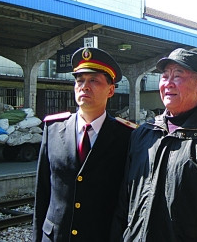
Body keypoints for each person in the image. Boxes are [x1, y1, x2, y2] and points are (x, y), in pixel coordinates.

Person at [111, 48, 197, 241]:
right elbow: (124, 202)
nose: (168, 83)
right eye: (164, 76)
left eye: (177, 76)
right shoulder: (143, 134)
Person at [33, 47, 136, 242]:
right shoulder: (53, 129)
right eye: (80, 80)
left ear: (111, 90)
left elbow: (128, 201)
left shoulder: (127, 136)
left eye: (94, 81)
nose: (84, 86)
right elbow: (42, 193)